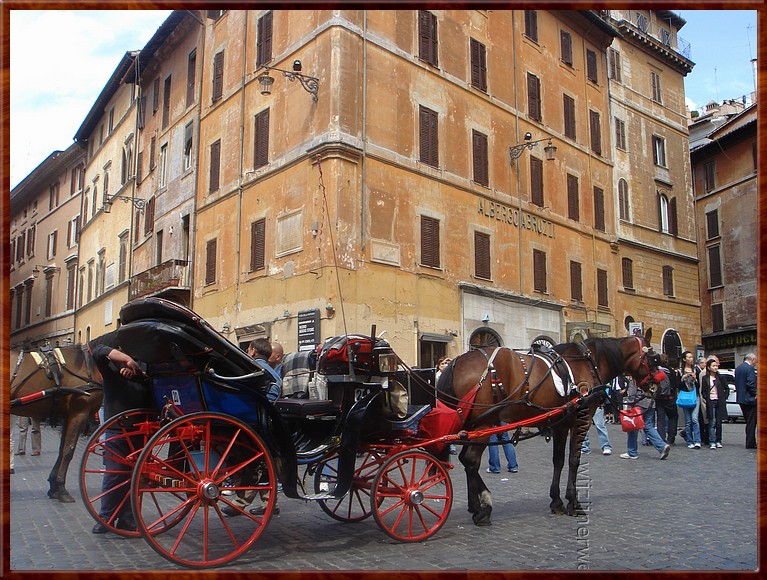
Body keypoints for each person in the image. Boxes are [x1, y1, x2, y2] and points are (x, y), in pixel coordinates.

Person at [89, 331, 152, 534]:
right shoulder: (111, 371)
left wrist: (138, 371)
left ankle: (127, 519)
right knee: (114, 476)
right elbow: (98, 352)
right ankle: (106, 517)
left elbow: (151, 379)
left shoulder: (145, 367)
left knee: (135, 478)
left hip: (142, 430)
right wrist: (127, 361)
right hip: (118, 429)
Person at [223, 338, 282, 517]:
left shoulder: (249, 369)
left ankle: (249, 502)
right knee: (263, 463)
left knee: (256, 463)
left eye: (248, 349)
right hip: (265, 423)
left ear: (253, 351)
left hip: (250, 423)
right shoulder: (275, 375)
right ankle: (264, 502)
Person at [620, 374, 671, 460]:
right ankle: (662, 446)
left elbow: (632, 392)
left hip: (638, 403)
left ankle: (632, 452)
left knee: (633, 427)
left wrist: (629, 405)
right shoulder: (650, 375)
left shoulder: (636, 376)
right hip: (650, 403)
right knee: (648, 425)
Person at [701, 358, 727, 449]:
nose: (716, 368)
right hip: (710, 401)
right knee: (712, 421)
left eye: (716, 366)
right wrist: (706, 398)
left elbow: (726, 389)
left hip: (719, 401)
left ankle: (718, 440)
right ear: (709, 367)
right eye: (713, 366)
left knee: (719, 422)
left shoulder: (721, 377)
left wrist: (724, 397)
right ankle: (712, 441)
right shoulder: (705, 378)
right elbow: (703, 391)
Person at [678, 351, 702, 449]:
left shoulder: (696, 370)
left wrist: (695, 379)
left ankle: (697, 441)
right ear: (684, 359)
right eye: (689, 357)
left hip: (695, 396)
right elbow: (678, 386)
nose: (691, 359)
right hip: (685, 397)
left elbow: (699, 385)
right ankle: (689, 441)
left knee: (695, 419)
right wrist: (682, 378)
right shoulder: (680, 371)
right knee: (688, 421)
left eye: (692, 357)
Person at [654, 356, 679, 445]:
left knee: (660, 419)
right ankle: (671, 438)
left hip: (659, 398)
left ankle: (661, 438)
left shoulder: (655, 371)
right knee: (673, 417)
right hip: (670, 398)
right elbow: (675, 385)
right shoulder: (670, 371)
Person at [735, 353, 757, 449]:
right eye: (755, 361)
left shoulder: (738, 369)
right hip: (749, 399)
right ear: (752, 359)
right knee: (751, 422)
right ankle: (750, 443)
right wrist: (755, 394)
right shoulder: (750, 368)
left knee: (748, 420)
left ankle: (751, 441)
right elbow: (751, 383)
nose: (755, 363)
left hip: (741, 398)